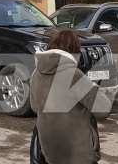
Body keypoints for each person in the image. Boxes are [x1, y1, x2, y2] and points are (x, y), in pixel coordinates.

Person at [29, 28, 101, 164]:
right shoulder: (74, 74)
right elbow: (101, 108)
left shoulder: (36, 74)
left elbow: (34, 106)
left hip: (47, 148)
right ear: (74, 51)